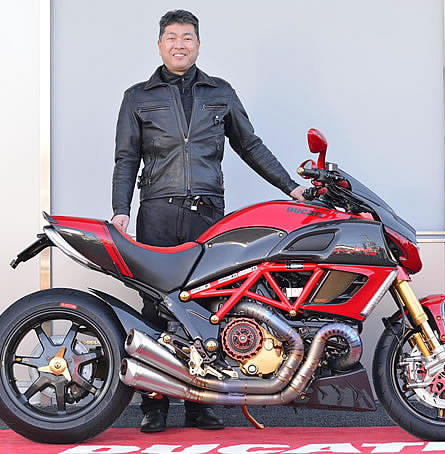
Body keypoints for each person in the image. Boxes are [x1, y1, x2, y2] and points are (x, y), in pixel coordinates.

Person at [110, 9, 306, 433]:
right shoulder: (137, 97)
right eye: (171, 37)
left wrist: (291, 188)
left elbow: (250, 146)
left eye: (187, 37)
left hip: (207, 215)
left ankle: (200, 403)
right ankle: (154, 404)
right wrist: (120, 209)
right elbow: (126, 158)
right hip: (158, 212)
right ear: (159, 45)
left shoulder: (220, 92)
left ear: (198, 45)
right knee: (156, 307)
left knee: (207, 307)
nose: (179, 44)